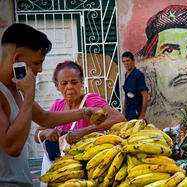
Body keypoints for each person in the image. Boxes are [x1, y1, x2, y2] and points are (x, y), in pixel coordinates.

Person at [0, 23, 106, 186]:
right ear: (17, 59)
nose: (41, 69)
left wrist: (85, 112)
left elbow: (44, 117)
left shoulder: (18, 88)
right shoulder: (11, 92)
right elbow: (12, 147)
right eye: (37, 63)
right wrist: (29, 95)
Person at [34, 61, 126, 184]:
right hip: (65, 170)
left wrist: (84, 131)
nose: (69, 87)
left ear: (81, 82)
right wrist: (47, 132)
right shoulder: (58, 105)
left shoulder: (91, 100)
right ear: (57, 85)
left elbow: (119, 118)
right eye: (64, 83)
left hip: (91, 168)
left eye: (74, 82)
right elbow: (37, 135)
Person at [122, 51, 148, 120]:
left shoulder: (138, 75)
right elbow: (127, 96)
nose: (126, 63)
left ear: (133, 60)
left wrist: (142, 115)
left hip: (136, 112)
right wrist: (123, 113)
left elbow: (145, 95)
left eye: (128, 61)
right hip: (128, 113)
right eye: (124, 61)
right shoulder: (126, 75)